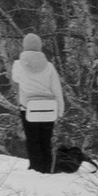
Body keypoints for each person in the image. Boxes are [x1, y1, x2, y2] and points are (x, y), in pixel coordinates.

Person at [9, 31, 65, 172]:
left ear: (24, 46)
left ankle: (35, 168)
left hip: (28, 108)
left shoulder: (18, 65)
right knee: (45, 141)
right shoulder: (49, 67)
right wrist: (60, 110)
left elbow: (15, 79)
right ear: (40, 46)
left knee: (32, 140)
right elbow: (57, 90)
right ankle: (47, 168)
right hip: (48, 109)